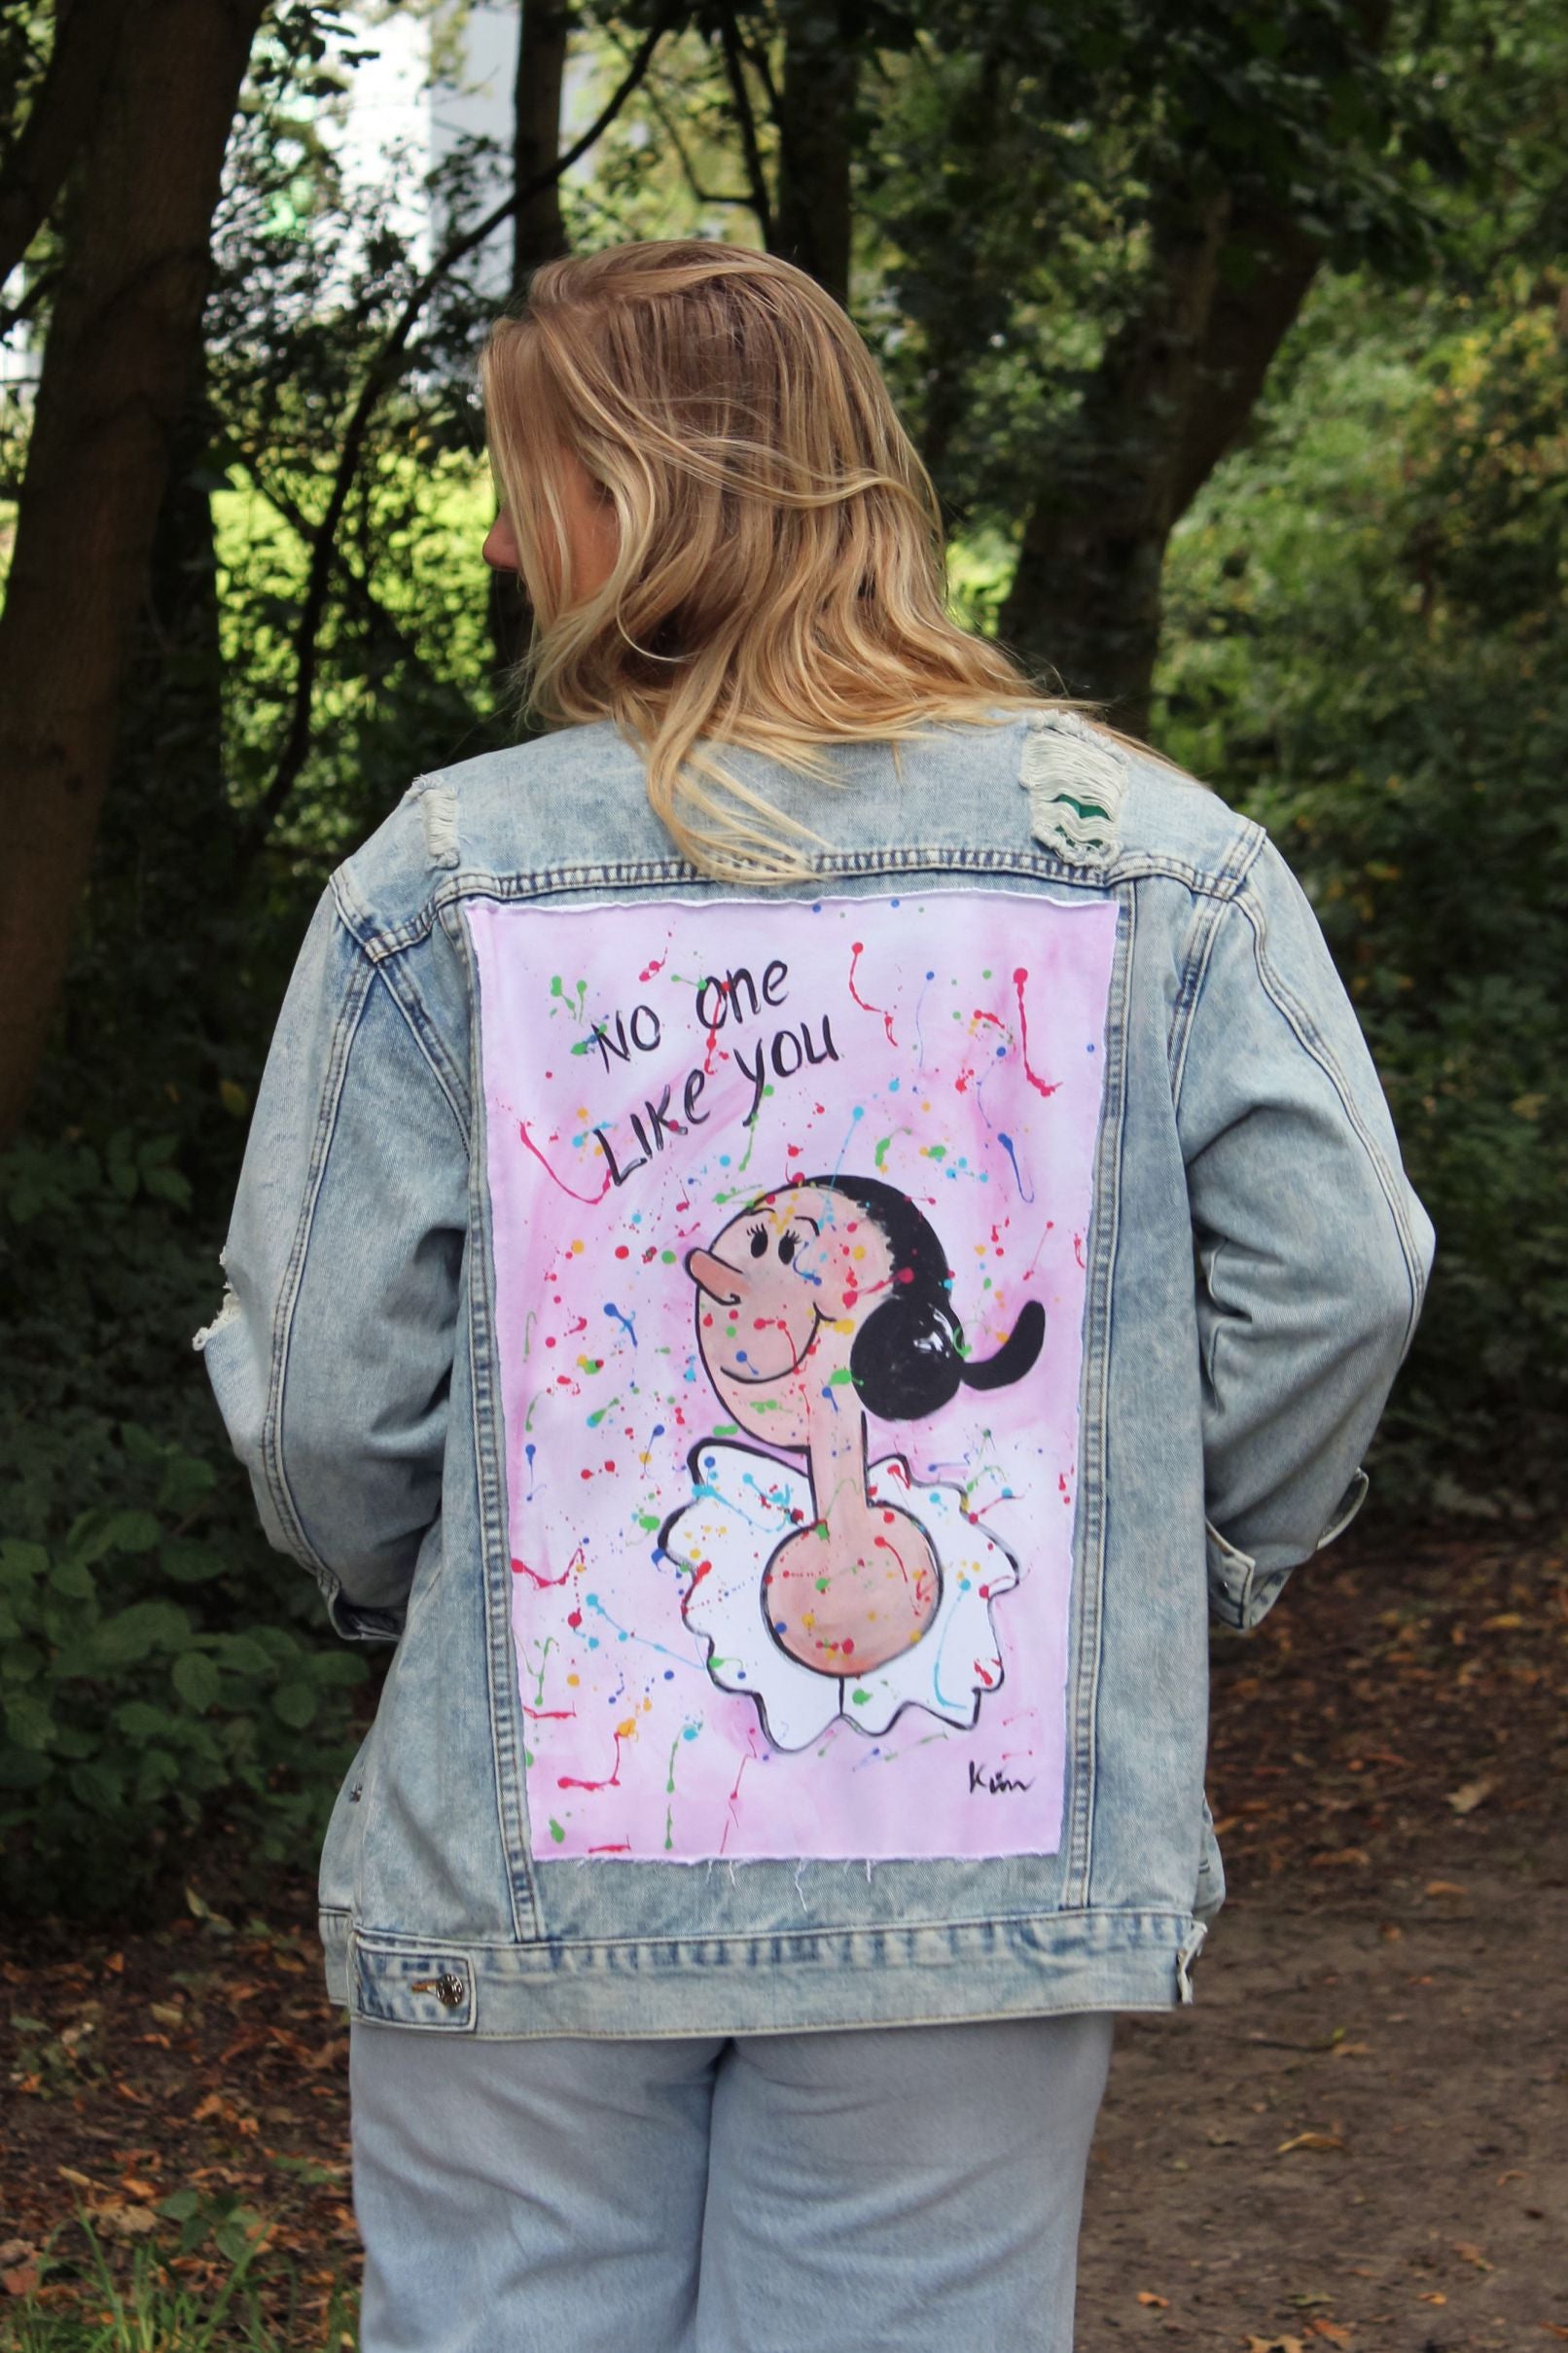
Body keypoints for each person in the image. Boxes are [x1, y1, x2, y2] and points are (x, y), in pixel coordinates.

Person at [196, 239, 1434, 2353]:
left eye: (530, 477)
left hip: (528, 1861)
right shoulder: (1150, 851)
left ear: (649, 495)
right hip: (978, 1859)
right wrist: (1143, 1573)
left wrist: (420, 1596)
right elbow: (1342, 1277)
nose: (498, 533)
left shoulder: (445, 874)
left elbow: (319, 1399)